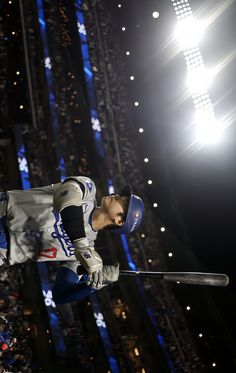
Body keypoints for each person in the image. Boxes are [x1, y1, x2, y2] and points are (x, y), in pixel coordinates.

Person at [0, 176, 144, 303]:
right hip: (3, 211)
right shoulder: (88, 190)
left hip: (4, 252)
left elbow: (60, 294)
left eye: (123, 203)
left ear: (119, 221)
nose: (117, 195)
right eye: (121, 196)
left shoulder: (87, 252)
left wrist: (92, 286)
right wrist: (81, 245)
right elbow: (68, 196)